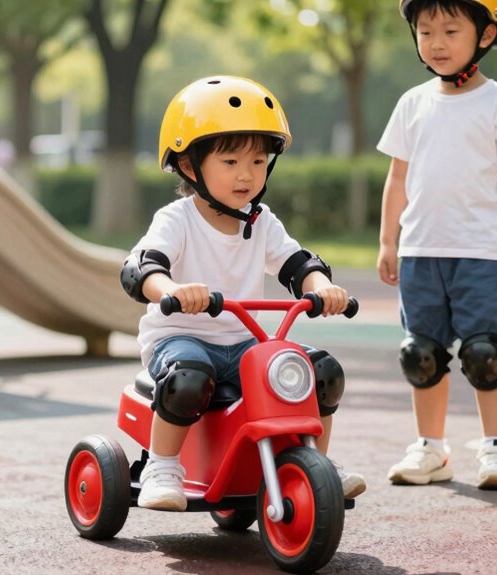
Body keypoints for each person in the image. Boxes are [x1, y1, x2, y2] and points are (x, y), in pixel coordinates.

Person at [121, 76, 366, 511]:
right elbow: (142, 268)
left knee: (319, 372)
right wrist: (172, 289)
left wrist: (321, 287)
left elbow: (296, 264)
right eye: (230, 161)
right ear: (190, 167)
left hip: (242, 342)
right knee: (188, 376)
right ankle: (163, 465)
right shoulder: (177, 219)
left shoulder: (261, 221)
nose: (246, 174)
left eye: (257, 160)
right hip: (180, 339)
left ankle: (313, 467)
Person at [376, 0, 497, 490]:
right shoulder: (412, 103)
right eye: (426, 31)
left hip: (482, 253)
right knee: (419, 353)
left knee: (485, 354)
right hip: (421, 251)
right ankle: (431, 448)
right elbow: (397, 178)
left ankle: (496, 450)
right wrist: (388, 241)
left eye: (450, 30)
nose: (437, 42)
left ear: (485, 36)